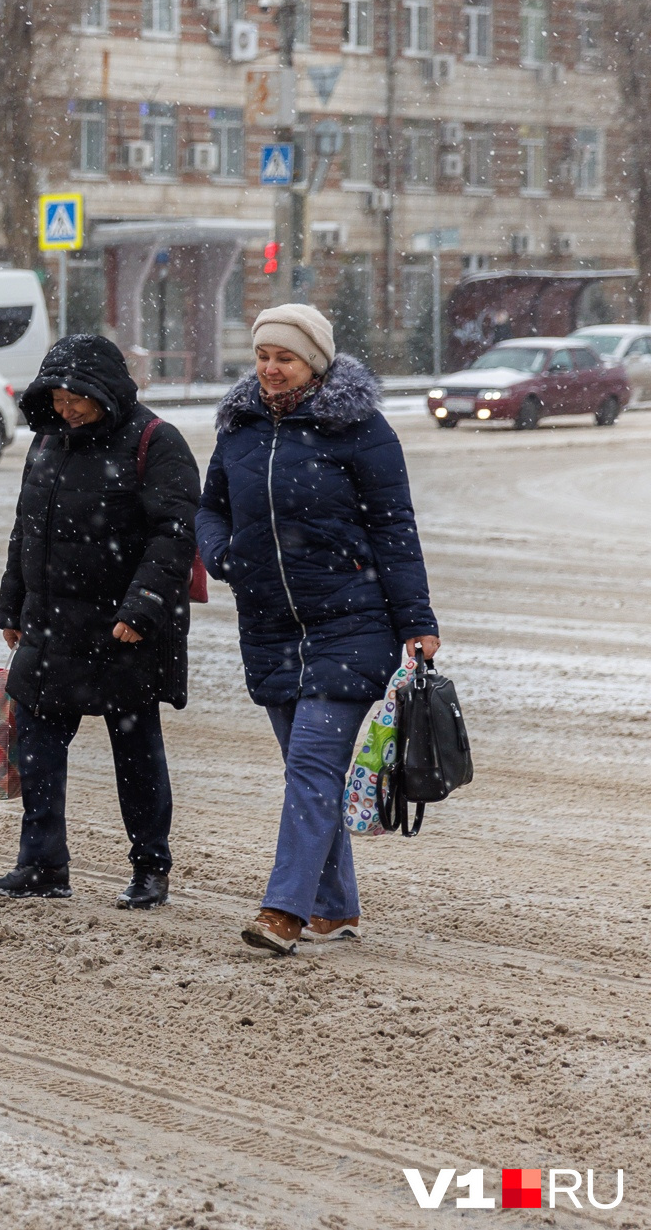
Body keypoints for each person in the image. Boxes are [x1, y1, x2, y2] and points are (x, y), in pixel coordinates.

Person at [195, 304, 440, 956]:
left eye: (286, 357)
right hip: (271, 626)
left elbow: (395, 529)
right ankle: (335, 906)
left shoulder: (359, 429)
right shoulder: (240, 428)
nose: (271, 369)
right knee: (308, 771)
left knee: (310, 761)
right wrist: (221, 554)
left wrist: (418, 621)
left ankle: (284, 910)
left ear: (316, 362)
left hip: (351, 621)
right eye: (263, 356)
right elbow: (210, 506)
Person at [0, 334, 201, 910]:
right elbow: (25, 527)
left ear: (105, 389)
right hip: (51, 624)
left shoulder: (157, 442)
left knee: (135, 753)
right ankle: (42, 864)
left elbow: (174, 535)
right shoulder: (48, 440)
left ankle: (151, 869)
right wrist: (13, 605)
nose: (66, 407)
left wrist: (142, 608)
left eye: (76, 396)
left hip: (121, 631)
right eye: (56, 396)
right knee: (34, 743)